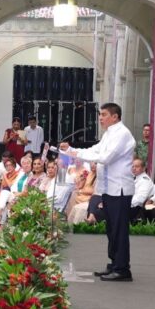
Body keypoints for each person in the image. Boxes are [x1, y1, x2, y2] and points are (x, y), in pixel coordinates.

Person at [61, 102, 137, 282]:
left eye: (103, 114)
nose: (100, 118)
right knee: (111, 228)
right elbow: (95, 150)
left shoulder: (122, 134)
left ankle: (123, 269)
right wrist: (72, 151)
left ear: (115, 116)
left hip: (119, 189)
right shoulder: (109, 134)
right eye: (100, 114)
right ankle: (114, 264)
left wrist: (76, 154)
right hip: (108, 188)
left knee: (119, 230)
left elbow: (105, 157)